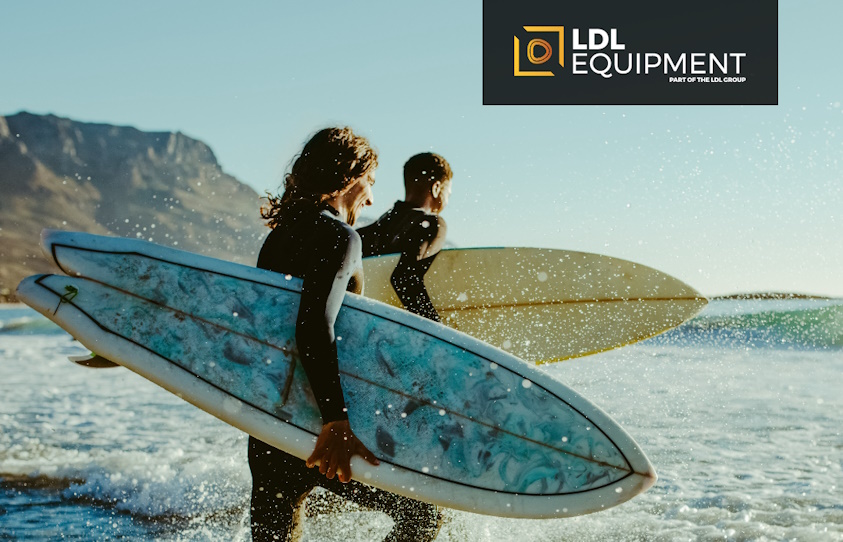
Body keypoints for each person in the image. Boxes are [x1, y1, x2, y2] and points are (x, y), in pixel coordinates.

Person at [250, 128, 441, 542]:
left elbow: (264, 328)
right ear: (349, 176)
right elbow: (314, 326)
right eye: (370, 182)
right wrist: (335, 421)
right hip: (319, 424)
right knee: (423, 517)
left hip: (269, 422)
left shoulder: (278, 238)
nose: (370, 198)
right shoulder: (339, 236)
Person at [357, 152, 453, 322]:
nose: (447, 201)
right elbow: (404, 279)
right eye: (449, 194)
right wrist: (436, 329)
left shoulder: (375, 228)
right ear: (436, 188)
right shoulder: (432, 224)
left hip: (364, 320)